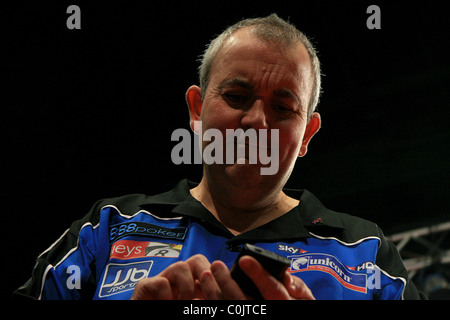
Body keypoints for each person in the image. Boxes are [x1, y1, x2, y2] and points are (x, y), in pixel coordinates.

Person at [12, 14, 423, 300]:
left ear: (307, 135)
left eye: (283, 108)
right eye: (237, 97)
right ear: (196, 110)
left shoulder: (365, 252)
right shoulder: (106, 230)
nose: (257, 122)